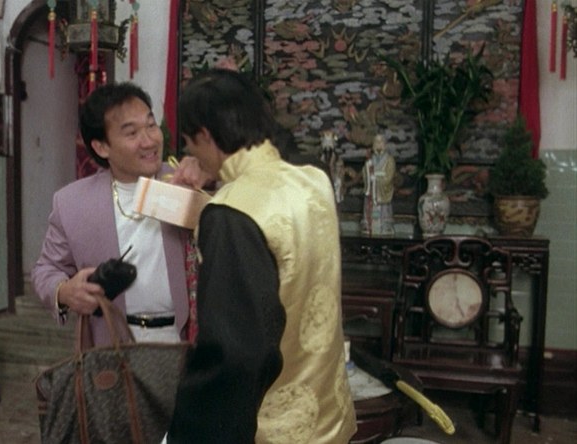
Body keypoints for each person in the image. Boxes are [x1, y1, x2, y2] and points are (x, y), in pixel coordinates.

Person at [167, 68, 356, 443]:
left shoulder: (231, 212)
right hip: (328, 415)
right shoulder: (313, 180)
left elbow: (233, 355)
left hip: (273, 427)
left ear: (204, 136)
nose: (192, 156)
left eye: (189, 145)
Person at [31, 82, 200, 346]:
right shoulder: (72, 203)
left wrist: (207, 174)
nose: (149, 141)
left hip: (183, 340)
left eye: (151, 125)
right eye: (131, 133)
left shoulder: (183, 182)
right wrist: (64, 291)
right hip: (112, 341)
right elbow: (46, 269)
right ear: (102, 147)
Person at [361, 133, 396, 236]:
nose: (379, 144)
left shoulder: (389, 160)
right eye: (376, 142)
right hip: (371, 190)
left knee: (384, 212)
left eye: (381, 142)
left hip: (382, 192)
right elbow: (364, 173)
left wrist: (376, 178)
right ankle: (368, 225)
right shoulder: (370, 160)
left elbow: (389, 177)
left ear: (385, 144)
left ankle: (385, 227)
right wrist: (367, 171)